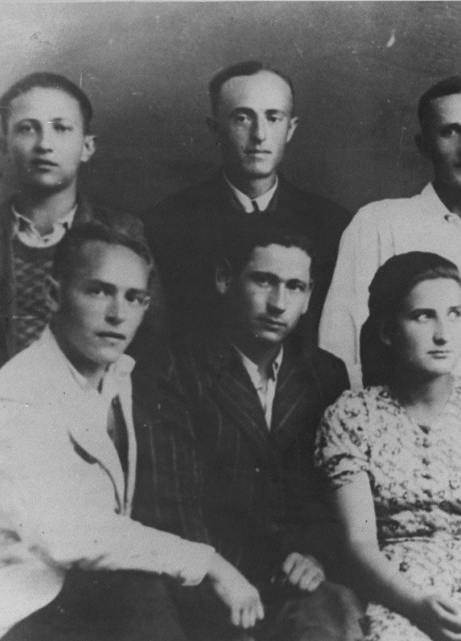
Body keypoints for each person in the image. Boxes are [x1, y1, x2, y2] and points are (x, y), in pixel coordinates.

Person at [0, 223, 259, 640]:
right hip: (30, 609)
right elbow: (71, 535)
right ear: (53, 295)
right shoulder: (19, 394)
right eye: (99, 291)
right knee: (143, 592)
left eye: (134, 298)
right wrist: (211, 563)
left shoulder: (120, 376)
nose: (118, 314)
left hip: (94, 595)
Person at [316, 252, 461, 641]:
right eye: (424, 316)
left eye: (454, 313)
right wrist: (417, 607)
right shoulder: (352, 416)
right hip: (393, 596)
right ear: (388, 330)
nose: (443, 334)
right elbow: (360, 541)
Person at [153, 223, 360, 640]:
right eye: (264, 281)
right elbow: (176, 506)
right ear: (225, 279)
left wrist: (315, 558)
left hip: (298, 580)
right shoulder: (176, 369)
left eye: (295, 287)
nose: (279, 303)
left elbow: (334, 498)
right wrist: (222, 573)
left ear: (309, 297)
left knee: (333, 622)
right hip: (207, 581)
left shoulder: (324, 375)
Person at [318, 76, 461, 389]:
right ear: (424, 145)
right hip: (394, 422)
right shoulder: (378, 224)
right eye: (450, 132)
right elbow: (339, 351)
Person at [143, 60, 351, 349]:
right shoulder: (167, 222)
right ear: (215, 129)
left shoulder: (331, 224)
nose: (259, 135)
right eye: (242, 118)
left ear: (290, 129)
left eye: (273, 118)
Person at [0, 71, 161, 368]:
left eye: (61, 128)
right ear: (3, 146)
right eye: (27, 129)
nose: (44, 144)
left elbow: (153, 345)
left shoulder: (123, 232)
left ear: (87, 147)